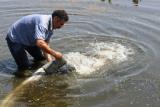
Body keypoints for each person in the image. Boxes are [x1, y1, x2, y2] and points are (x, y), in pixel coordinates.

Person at [6, 10, 69, 76]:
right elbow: (40, 43)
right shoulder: (43, 23)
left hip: (30, 38)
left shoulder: (51, 27)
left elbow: (45, 44)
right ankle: (21, 78)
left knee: (40, 58)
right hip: (16, 39)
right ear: (56, 19)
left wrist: (50, 62)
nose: (62, 26)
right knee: (24, 66)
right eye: (61, 24)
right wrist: (55, 54)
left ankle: (35, 69)